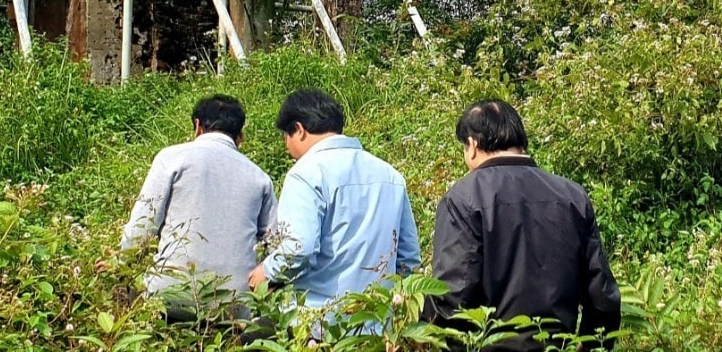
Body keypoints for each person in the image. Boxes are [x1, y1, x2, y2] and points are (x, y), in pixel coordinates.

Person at [426, 99, 621, 351]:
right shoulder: (572, 196)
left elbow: (452, 295)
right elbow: (602, 296)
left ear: (472, 145)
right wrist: (592, 345)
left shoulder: (463, 198)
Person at [248, 89, 420, 316]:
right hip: (378, 319)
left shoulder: (305, 174)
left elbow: (300, 248)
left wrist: (267, 272)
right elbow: (408, 258)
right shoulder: (391, 175)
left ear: (299, 130)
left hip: (320, 322)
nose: (286, 146)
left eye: (286, 136)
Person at [121, 94, 276, 318]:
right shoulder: (260, 177)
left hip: (172, 295)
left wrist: (120, 263)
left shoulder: (172, 158)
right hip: (234, 303)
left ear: (197, 126)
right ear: (240, 137)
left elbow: (142, 228)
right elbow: (276, 243)